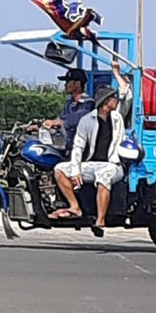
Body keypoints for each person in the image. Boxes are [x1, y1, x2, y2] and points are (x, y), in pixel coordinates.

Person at [50, 84, 124, 237]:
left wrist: (117, 73)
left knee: (104, 177)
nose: (116, 100)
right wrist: (76, 171)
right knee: (59, 169)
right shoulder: (87, 120)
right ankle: (74, 207)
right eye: (112, 98)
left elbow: (127, 94)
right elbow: (78, 146)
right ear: (105, 102)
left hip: (113, 164)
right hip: (92, 164)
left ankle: (100, 221)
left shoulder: (118, 117)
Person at [38, 67, 94, 156]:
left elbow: (78, 117)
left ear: (77, 84)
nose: (65, 85)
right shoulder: (69, 103)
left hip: (80, 151)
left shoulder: (88, 103)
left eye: (68, 82)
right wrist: (39, 125)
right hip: (66, 148)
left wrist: (58, 122)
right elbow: (60, 119)